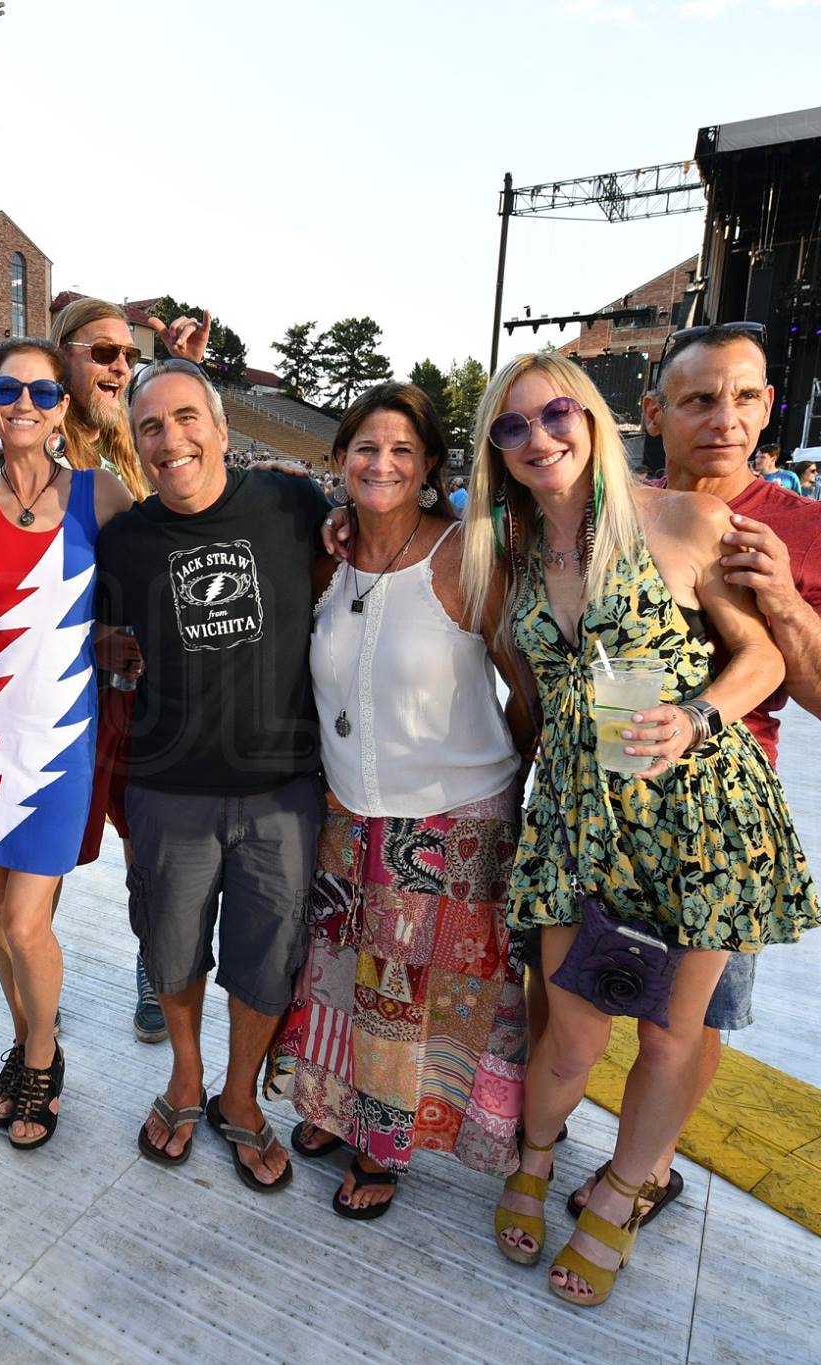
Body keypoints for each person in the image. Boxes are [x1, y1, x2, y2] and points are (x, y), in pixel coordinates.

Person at [474, 351, 819, 1309]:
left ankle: (622, 1195)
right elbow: (530, 699)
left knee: (670, 1038)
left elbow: (761, 659)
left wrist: (699, 716)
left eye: (555, 415)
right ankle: (536, 1157)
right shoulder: (507, 559)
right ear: (496, 453)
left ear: (594, 419)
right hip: (581, 818)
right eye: (512, 428)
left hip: (700, 816)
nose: (538, 438)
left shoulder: (687, 522)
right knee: (573, 1037)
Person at [551, 320, 821, 1221]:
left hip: (715, 821)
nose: (725, 418)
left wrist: (780, 598)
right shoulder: (618, 506)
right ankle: (549, 1153)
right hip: (596, 807)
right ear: (655, 413)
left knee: (684, 1026)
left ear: (770, 405)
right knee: (573, 1009)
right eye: (700, 399)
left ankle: (640, 1177)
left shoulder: (812, 527)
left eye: (745, 396)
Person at [281, 382, 536, 1220]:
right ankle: (337, 1105)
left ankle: (381, 1145)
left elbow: (525, 684)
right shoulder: (330, 554)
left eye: (401, 449)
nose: (381, 463)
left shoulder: (465, 555)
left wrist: (509, 786)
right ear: (341, 458)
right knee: (344, 978)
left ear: (430, 464)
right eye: (365, 447)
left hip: (451, 819)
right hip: (348, 812)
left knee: (409, 997)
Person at [96, 359, 328, 1193]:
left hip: (283, 788)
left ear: (223, 429)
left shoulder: (294, 506)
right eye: (151, 426)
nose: (172, 439)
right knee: (172, 950)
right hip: (168, 786)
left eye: (187, 418)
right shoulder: (122, 540)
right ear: (136, 443)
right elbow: (84, 630)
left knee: (269, 959)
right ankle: (187, 1078)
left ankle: (239, 1095)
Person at [0, 339, 135, 1149]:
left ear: (63, 406)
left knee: (29, 923)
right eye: (8, 388)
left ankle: (41, 1055)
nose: (25, 402)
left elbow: (177, 537)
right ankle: (24, 1037)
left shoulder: (102, 497)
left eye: (41, 390)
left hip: (65, 729)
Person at [50, 295, 208, 1045]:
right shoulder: (34, 440)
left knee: (146, 845)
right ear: (62, 355)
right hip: (62, 687)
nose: (118, 366)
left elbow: (192, 504)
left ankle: (152, 962)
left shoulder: (132, 446)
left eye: (127, 355)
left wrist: (186, 373)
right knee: (42, 852)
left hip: (136, 690)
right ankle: (33, 974)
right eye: (102, 351)